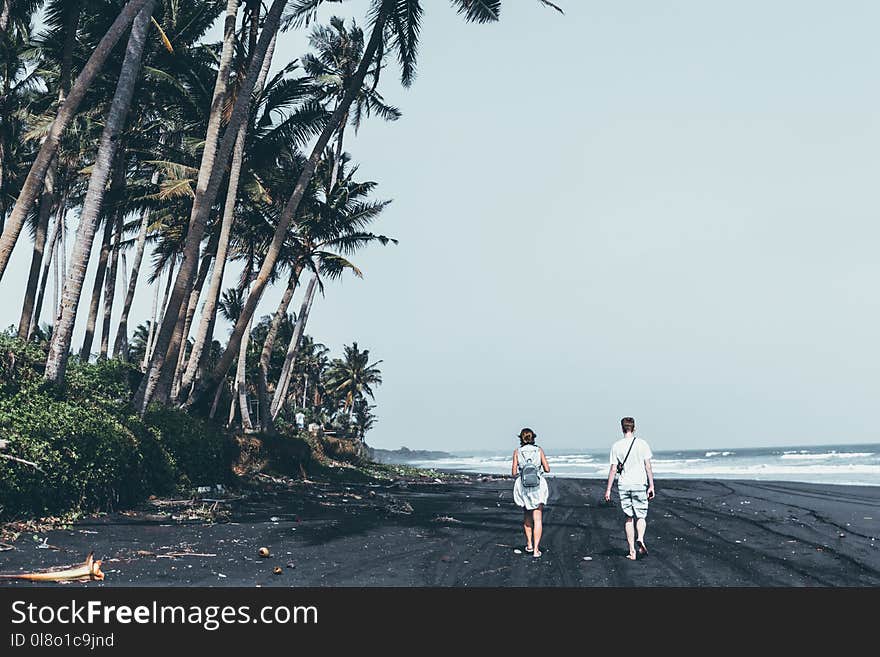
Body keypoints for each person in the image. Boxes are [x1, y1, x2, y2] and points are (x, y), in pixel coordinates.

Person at [604, 417, 655, 560]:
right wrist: (651, 485)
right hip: (639, 483)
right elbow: (648, 466)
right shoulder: (642, 444)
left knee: (628, 517)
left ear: (622, 428)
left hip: (624, 484)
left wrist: (608, 489)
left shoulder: (616, 446)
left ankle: (632, 550)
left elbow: (613, 469)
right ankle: (641, 538)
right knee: (641, 515)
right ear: (634, 428)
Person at [511, 427, 551, 558]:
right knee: (538, 519)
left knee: (527, 517)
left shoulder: (517, 452)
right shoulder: (539, 450)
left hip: (523, 487)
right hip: (538, 487)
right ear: (533, 437)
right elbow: (547, 469)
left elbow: (513, 473)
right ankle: (536, 550)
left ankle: (529, 545)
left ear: (521, 439)